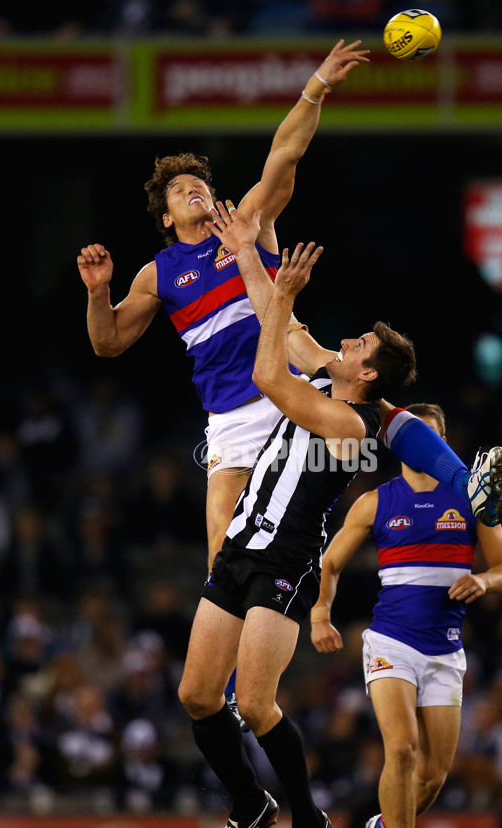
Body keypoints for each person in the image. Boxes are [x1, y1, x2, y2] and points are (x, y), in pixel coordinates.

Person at [176, 208, 502, 828]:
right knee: (196, 694)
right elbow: (279, 319)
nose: (347, 340)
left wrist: (288, 301)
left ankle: (307, 822)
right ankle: (250, 802)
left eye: (358, 344)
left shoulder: (348, 419)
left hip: (285, 557)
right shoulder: (341, 381)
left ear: (367, 373)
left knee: (260, 705)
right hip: (243, 538)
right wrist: (246, 251)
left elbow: (271, 373)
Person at [76, 38, 370, 573]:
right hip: (229, 416)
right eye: (180, 189)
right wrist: (98, 292)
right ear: (165, 218)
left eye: (200, 184)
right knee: (221, 553)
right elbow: (107, 342)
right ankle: (235, 656)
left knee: (309, 520)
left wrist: (317, 85)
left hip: (288, 389)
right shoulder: (156, 275)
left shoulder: (245, 225)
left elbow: (285, 154)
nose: (194, 189)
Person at [310, 403, 502, 828]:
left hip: (444, 651)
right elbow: (332, 561)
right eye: (417, 437)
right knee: (400, 749)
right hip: (390, 643)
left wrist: (484, 580)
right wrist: (320, 612)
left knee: (432, 777)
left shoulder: (468, 498)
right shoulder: (376, 502)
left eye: (435, 439)